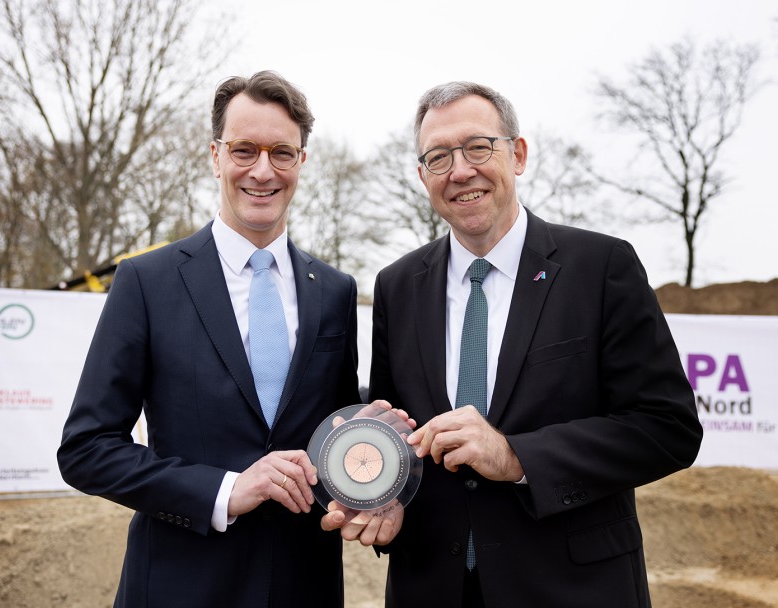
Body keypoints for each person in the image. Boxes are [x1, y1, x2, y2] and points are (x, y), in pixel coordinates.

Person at [324, 81, 703, 607]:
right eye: (438, 157)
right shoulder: (397, 285)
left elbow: (669, 428)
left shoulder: (601, 268)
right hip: (432, 586)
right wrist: (389, 495)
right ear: (422, 176)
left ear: (517, 154)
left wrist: (515, 456)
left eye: (478, 147)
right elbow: (400, 431)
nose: (460, 170)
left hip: (572, 588)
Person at [58, 70, 363, 608]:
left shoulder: (336, 291)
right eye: (244, 150)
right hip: (183, 585)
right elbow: (86, 449)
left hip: (305, 585)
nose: (262, 171)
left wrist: (371, 447)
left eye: (281, 153)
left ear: (302, 162)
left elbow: (332, 431)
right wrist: (224, 490)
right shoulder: (146, 282)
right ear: (215, 156)